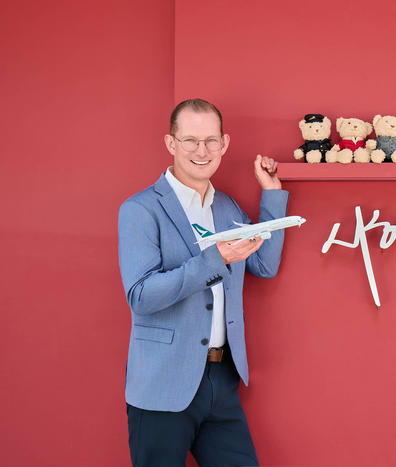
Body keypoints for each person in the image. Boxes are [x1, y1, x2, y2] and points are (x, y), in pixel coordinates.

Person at [118, 99, 288, 466]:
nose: (202, 151)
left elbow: (264, 265)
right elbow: (141, 295)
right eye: (190, 140)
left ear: (224, 144)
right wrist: (215, 260)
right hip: (163, 384)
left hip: (221, 381)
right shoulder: (140, 209)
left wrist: (272, 194)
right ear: (171, 143)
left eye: (211, 140)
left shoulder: (226, 208)